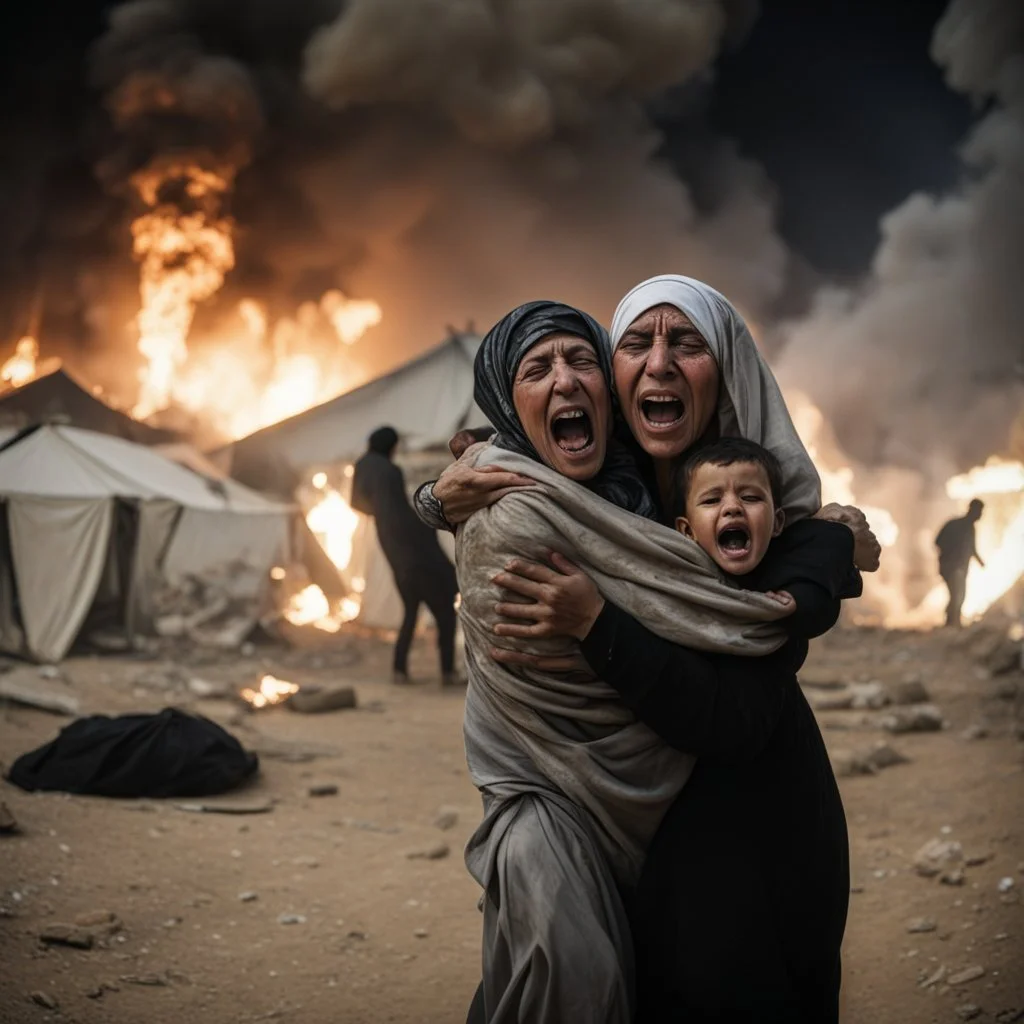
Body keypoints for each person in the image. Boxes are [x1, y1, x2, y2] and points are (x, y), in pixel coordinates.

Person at [418, 275, 878, 1023]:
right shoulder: (598, 479)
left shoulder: (766, 527)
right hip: (602, 807)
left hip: (748, 819)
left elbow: (732, 717)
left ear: (725, 368)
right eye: (636, 343)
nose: (659, 363)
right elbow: (503, 458)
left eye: (687, 344)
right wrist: (438, 494)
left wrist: (823, 549)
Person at [350, 426, 460, 685]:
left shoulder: (362, 466)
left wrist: (381, 514)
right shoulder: (390, 471)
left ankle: (399, 670)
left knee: (411, 611)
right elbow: (402, 512)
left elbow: (357, 503)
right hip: (417, 555)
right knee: (445, 611)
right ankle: (447, 672)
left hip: (396, 556)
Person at [935, 498, 985, 627]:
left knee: (959, 595)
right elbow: (938, 541)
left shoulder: (970, 528)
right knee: (957, 594)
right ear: (972, 510)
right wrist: (951, 555)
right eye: (979, 511)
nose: (980, 514)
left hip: (960, 568)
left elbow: (972, 549)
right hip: (951, 568)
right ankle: (952, 623)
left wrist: (981, 562)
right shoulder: (955, 525)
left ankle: (952, 622)